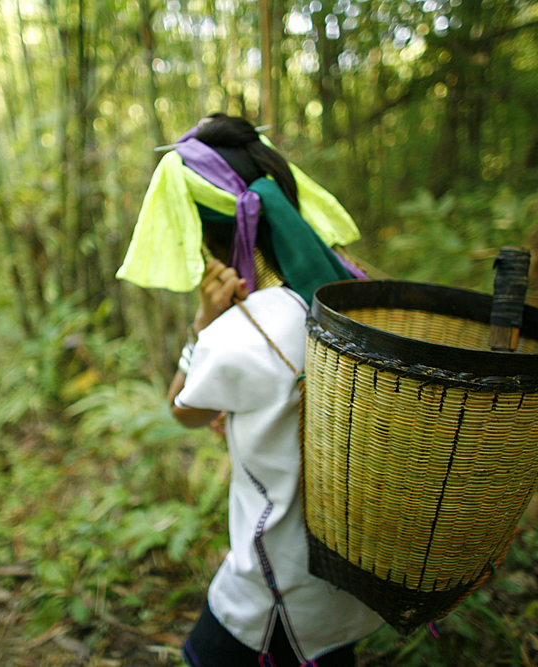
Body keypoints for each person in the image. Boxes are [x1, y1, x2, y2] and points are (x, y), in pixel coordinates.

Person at [116, 114, 383, 667]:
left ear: (214, 234)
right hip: (352, 587)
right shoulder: (362, 300)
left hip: (270, 597)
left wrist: (202, 324)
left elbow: (183, 411)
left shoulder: (241, 334)